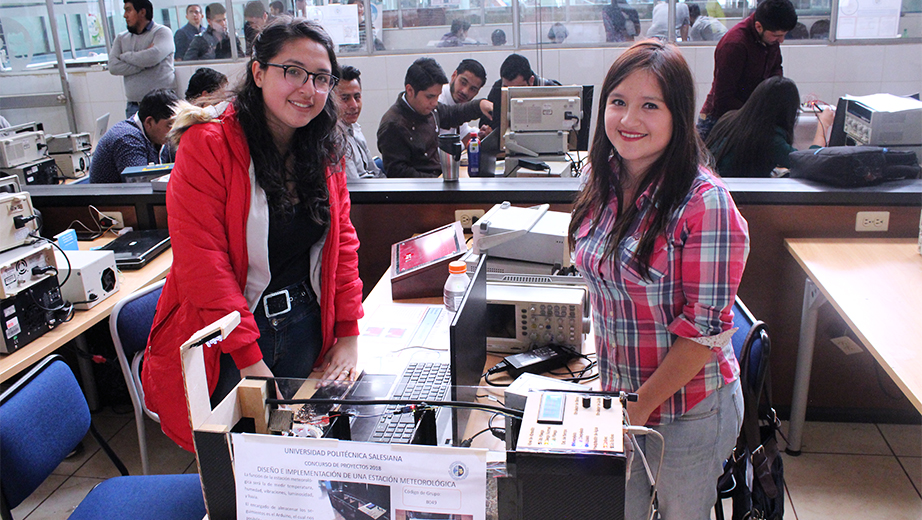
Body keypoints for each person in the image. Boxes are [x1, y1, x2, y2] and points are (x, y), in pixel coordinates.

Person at [142, 17, 364, 452]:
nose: (308, 89)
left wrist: (349, 333)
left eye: (321, 78)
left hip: (305, 325)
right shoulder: (208, 144)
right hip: (232, 336)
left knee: (297, 458)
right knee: (240, 468)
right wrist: (251, 360)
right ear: (259, 73)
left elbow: (343, 244)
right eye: (293, 71)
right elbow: (203, 265)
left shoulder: (322, 145)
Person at [568, 40, 749, 520]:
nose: (629, 120)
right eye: (618, 102)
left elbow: (702, 334)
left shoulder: (703, 204)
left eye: (650, 106)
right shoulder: (602, 175)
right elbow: (602, 277)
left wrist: (638, 408)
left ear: (679, 115)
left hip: (688, 410)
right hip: (621, 397)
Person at [697, 0, 797, 140]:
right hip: (720, 120)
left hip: (751, 117)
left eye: (784, 35)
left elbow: (775, 70)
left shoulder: (769, 38)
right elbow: (724, 98)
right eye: (777, 36)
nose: (781, 41)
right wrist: (757, 113)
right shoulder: (735, 44)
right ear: (758, 26)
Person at [376, 57, 492, 178]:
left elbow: (452, 114)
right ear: (410, 90)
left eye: (437, 96)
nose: (435, 103)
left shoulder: (428, 109)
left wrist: (480, 106)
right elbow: (399, 174)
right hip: (423, 191)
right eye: (429, 96)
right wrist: (438, 182)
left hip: (436, 183)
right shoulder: (393, 125)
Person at [706, 76, 835, 178]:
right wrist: (823, 125)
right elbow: (810, 164)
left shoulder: (730, 118)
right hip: (739, 196)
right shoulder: (768, 137)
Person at [89, 89, 177, 183]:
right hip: (112, 197)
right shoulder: (127, 139)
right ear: (149, 122)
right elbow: (141, 187)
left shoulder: (156, 135)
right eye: (169, 125)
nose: (174, 131)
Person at [108, 0, 176, 118]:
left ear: (142, 12)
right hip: (134, 106)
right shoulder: (121, 38)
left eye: (128, 10)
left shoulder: (162, 33)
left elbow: (153, 57)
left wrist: (125, 56)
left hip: (161, 104)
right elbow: (113, 67)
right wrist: (144, 60)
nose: (125, 15)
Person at [480, 53, 560, 132]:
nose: (512, 94)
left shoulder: (548, 89)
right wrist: (488, 130)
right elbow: (486, 122)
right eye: (507, 88)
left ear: (531, 81)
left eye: (517, 89)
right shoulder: (499, 89)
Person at [336, 65, 382, 180]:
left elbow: (375, 172)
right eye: (345, 98)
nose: (354, 105)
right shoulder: (335, 139)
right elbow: (354, 185)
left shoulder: (354, 128)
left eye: (357, 97)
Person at [438, 59, 487, 142]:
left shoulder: (458, 103)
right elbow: (445, 147)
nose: (465, 91)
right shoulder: (438, 100)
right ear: (454, 76)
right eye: (463, 83)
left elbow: (464, 132)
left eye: (472, 89)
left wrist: (481, 133)